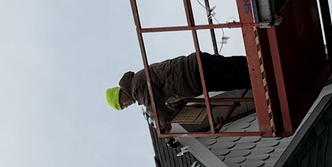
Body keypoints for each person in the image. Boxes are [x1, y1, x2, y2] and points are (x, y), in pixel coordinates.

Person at [105, 48, 252, 122]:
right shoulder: (140, 83)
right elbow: (168, 100)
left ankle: (261, 70)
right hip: (194, 69)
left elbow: (155, 106)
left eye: (122, 104)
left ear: (121, 94)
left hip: (193, 74)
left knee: (239, 76)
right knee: (237, 68)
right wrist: (171, 112)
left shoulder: (136, 86)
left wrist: (161, 124)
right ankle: (261, 63)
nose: (126, 106)